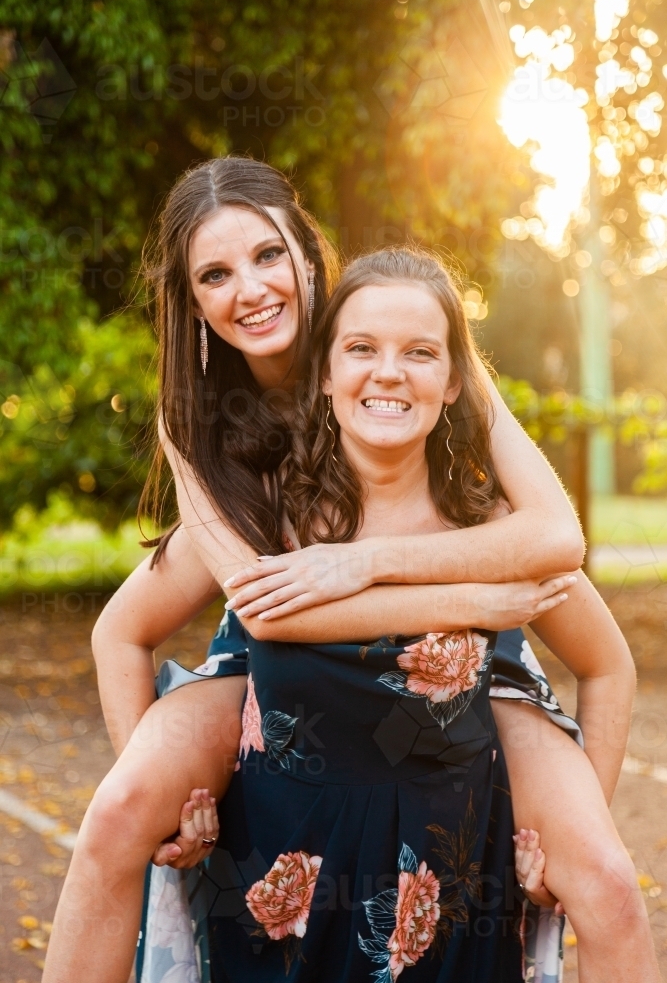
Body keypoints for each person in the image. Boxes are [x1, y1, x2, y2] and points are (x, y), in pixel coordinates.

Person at [37, 166, 642, 980]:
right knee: (116, 816)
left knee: (604, 880)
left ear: (307, 253)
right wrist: (480, 599)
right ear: (189, 303)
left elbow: (555, 538)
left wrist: (369, 568)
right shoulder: (202, 429)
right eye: (214, 274)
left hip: (465, 656)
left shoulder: (401, 325)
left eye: (265, 255)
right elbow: (266, 615)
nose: (248, 289)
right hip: (282, 633)